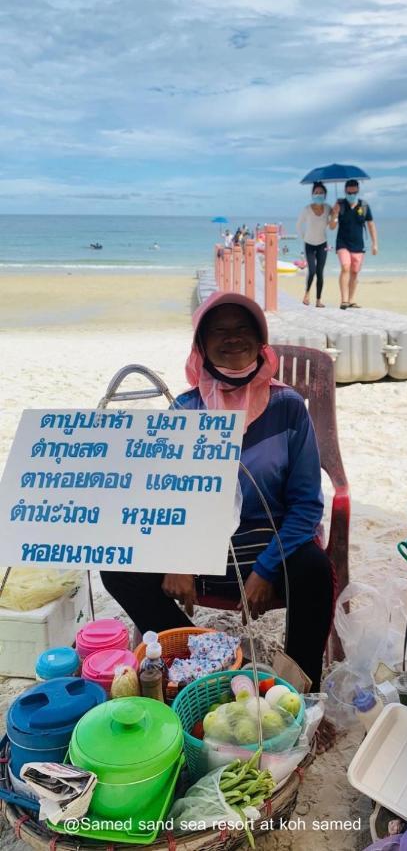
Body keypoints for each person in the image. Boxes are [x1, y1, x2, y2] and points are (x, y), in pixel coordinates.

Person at [101, 292, 334, 694]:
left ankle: (299, 688)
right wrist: (178, 558)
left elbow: (307, 504)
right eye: (219, 331)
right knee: (118, 569)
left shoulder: (288, 407)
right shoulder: (185, 413)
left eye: (243, 328)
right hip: (203, 552)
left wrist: (265, 569)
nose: (233, 338)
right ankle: (197, 658)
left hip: (268, 548)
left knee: (314, 571)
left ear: (260, 338)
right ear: (201, 346)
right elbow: (166, 499)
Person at [329, 178, 378, 309]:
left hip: (358, 244)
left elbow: (371, 225)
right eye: (349, 193)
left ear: (358, 191)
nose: (351, 195)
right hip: (342, 243)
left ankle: (351, 300)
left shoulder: (364, 206)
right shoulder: (340, 204)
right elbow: (332, 226)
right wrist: (335, 213)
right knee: (345, 267)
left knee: (355, 272)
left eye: (354, 193)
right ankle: (344, 300)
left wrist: (375, 244)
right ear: (345, 191)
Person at [296, 181, 332, 307]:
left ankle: (318, 300)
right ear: (312, 194)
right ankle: (306, 293)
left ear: (325, 195)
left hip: (323, 244)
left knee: (320, 272)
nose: (318, 195)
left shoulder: (328, 208)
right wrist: (304, 237)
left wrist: (336, 214)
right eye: (316, 192)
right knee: (312, 271)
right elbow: (299, 225)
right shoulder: (307, 209)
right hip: (309, 245)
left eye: (321, 193)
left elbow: (333, 224)